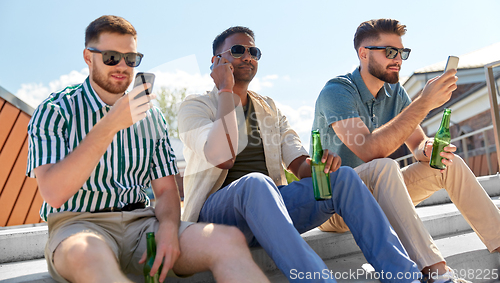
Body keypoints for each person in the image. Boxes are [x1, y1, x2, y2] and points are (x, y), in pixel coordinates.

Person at [26, 15, 269, 283]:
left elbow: (165, 190)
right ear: (88, 57)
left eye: (131, 59)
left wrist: (167, 229)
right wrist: (110, 125)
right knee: (89, 255)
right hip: (78, 225)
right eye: (110, 57)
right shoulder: (55, 111)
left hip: (143, 224)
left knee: (228, 240)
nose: (122, 66)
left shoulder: (152, 117)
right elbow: (53, 193)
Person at [178, 26, 422, 283]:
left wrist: (320, 164)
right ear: (216, 61)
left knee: (344, 178)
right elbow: (222, 156)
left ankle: (404, 277)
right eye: (238, 50)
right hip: (216, 217)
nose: (248, 56)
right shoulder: (196, 106)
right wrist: (225, 89)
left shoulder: (268, 108)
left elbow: (298, 165)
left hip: (271, 208)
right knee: (257, 183)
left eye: (254, 51)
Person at [313, 18, 500, 283]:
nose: (398, 59)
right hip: (335, 205)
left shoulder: (395, 92)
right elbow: (368, 150)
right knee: (385, 165)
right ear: (363, 53)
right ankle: (436, 274)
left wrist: (430, 149)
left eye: (402, 52)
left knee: (448, 163)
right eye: (390, 52)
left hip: (379, 192)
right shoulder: (338, 90)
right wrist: (424, 102)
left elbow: (417, 144)